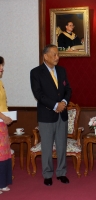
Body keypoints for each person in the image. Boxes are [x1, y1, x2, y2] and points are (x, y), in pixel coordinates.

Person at [30, 44, 72, 186]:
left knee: (61, 145)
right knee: (47, 147)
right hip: (47, 115)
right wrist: (55, 105)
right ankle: (47, 174)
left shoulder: (62, 70)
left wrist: (64, 102)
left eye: (57, 54)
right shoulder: (36, 72)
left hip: (62, 115)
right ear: (45, 56)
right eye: (54, 55)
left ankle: (61, 172)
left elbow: (68, 89)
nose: (57, 57)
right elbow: (38, 94)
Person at [0, 56, 13, 193]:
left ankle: (2, 182)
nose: (2, 68)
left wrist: (7, 117)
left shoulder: (0, 83)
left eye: (1, 65)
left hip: (2, 123)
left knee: (3, 154)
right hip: (0, 120)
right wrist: (4, 117)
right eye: (0, 65)